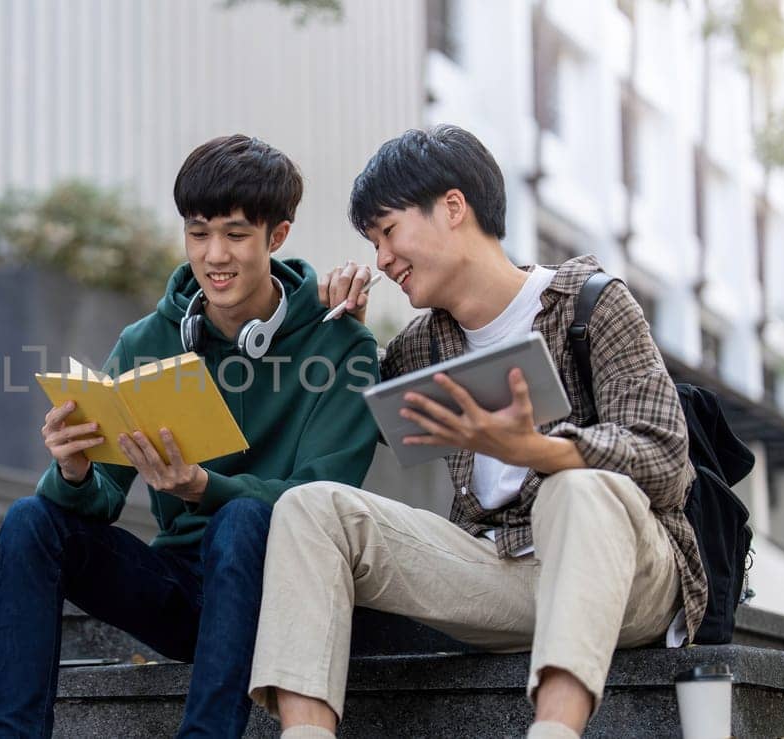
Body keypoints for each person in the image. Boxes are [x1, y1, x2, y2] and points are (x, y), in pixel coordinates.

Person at [247, 125, 702, 739]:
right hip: (502, 572)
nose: (381, 259)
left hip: (630, 576)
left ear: (453, 208)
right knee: (311, 509)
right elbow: (354, 416)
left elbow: (669, 462)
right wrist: (347, 335)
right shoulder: (425, 345)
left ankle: (554, 730)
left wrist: (542, 450)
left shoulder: (589, 303)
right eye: (373, 243)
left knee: (578, 488)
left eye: (388, 232)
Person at [0, 134, 381, 738]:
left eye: (235, 234)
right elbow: (103, 499)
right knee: (28, 520)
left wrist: (206, 488)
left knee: (243, 520)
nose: (214, 255)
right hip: (180, 590)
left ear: (277, 236)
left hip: (280, 593)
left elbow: (321, 502)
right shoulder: (148, 341)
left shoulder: (342, 348)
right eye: (198, 233)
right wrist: (72, 472)